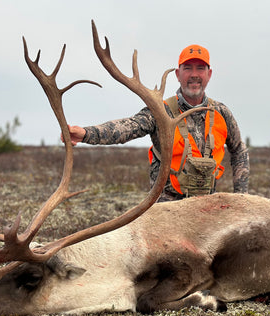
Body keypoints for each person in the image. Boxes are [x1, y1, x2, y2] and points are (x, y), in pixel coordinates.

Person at [65, 44, 249, 202]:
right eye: (188, 68)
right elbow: (128, 127)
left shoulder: (221, 113)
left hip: (206, 208)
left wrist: (241, 197)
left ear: (209, 74)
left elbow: (239, 150)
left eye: (200, 69)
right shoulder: (160, 111)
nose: (194, 75)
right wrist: (86, 134)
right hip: (166, 211)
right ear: (178, 74)